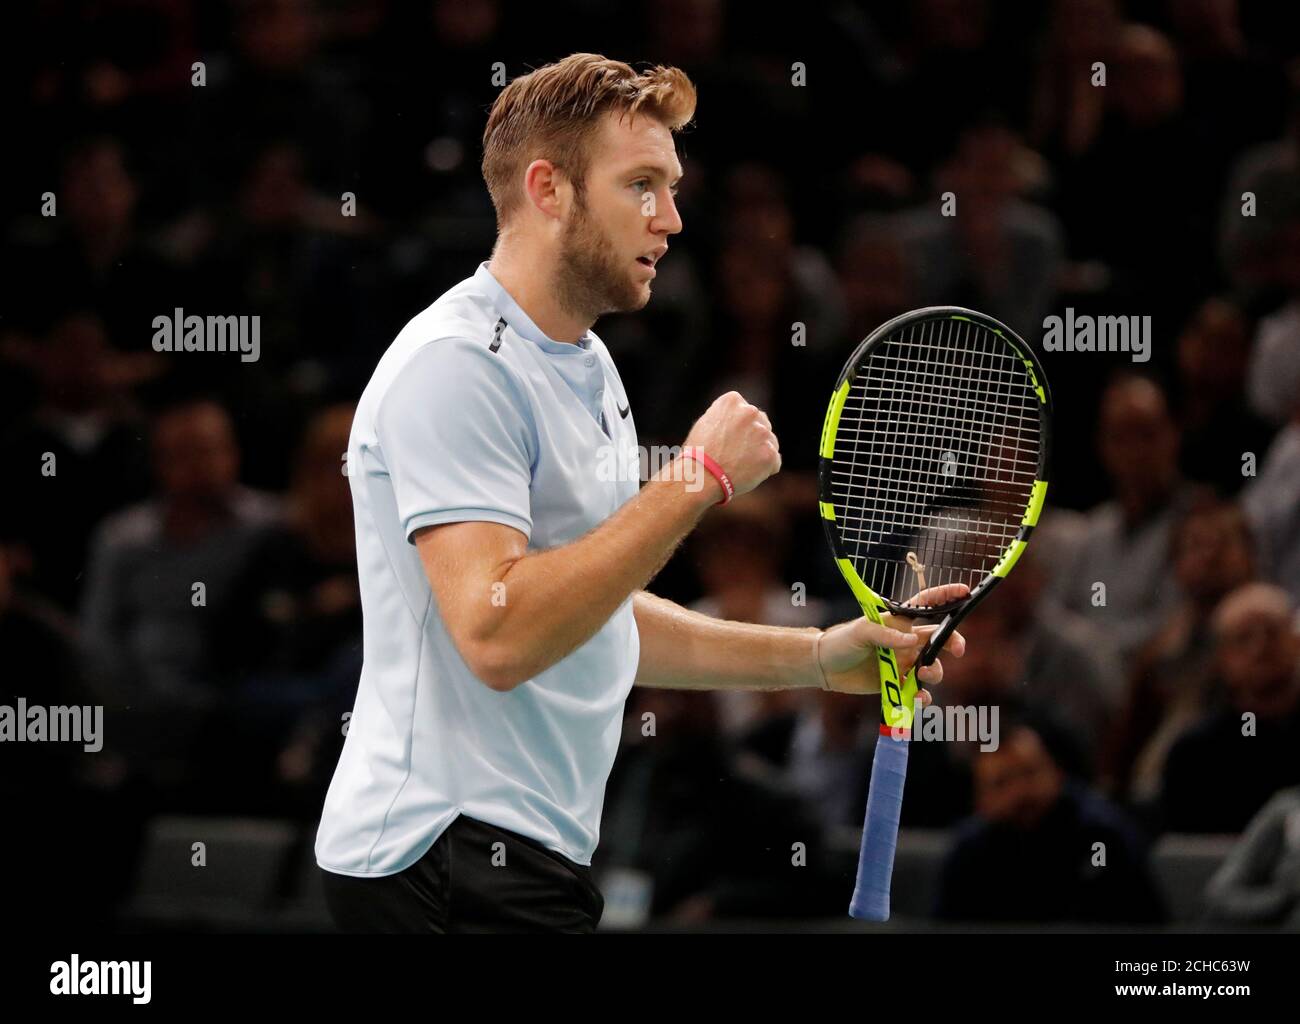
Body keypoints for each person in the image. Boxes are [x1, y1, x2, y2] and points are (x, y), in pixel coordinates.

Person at [314, 54, 966, 934]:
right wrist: (694, 482)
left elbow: (592, 616)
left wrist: (815, 659)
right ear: (550, 190)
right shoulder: (458, 368)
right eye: (642, 186)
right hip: (440, 858)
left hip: (525, 857)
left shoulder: (589, 366)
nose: (673, 217)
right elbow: (498, 635)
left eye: (671, 185)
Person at [935, 721, 1165, 924]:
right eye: (1001, 783)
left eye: (1030, 773)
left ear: (1057, 774)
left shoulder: (1102, 838)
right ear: (980, 800)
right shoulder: (969, 855)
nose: (1020, 792)